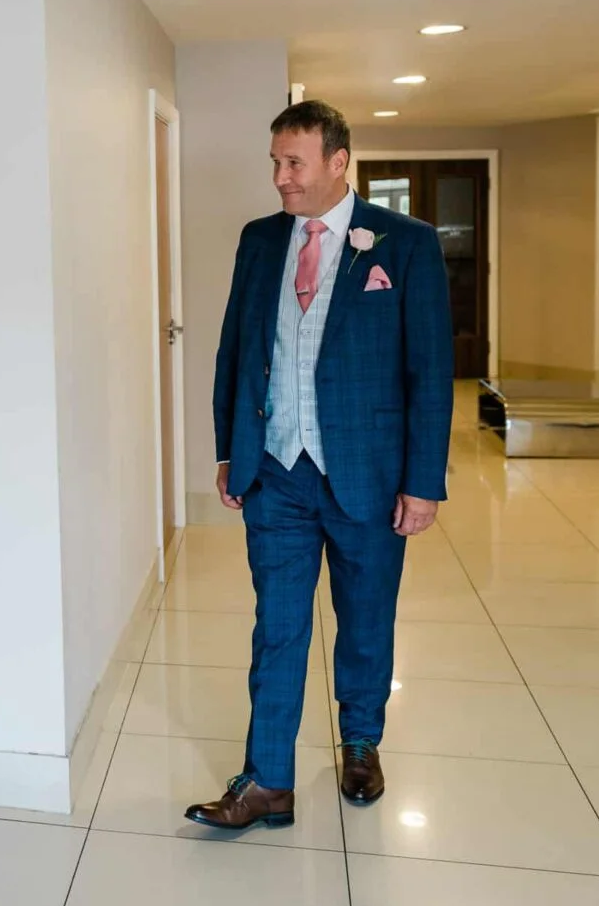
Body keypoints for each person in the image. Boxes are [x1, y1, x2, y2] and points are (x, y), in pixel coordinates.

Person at [185, 102, 453, 831]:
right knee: (278, 625)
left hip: (367, 470)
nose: (280, 178)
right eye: (275, 162)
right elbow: (235, 350)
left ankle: (360, 739)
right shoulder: (259, 240)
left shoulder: (404, 244)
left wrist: (424, 482)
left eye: (294, 162)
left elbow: (430, 371)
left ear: (339, 162)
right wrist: (230, 447)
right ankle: (267, 780)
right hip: (276, 472)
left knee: (365, 615)